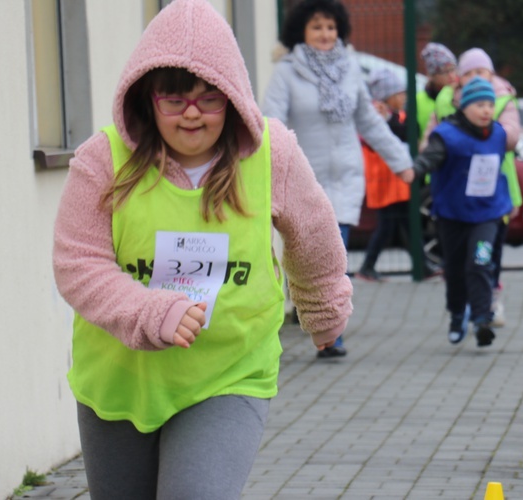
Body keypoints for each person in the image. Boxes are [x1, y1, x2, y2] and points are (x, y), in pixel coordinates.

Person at [52, 1, 352, 498]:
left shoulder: (271, 153)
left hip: (228, 371)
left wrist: (323, 307)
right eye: (174, 99)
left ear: (232, 97)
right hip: (120, 379)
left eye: (209, 98)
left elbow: (314, 233)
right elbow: (77, 263)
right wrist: (149, 311)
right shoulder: (103, 159)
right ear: (148, 98)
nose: (191, 114)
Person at [262, 0, 413, 357]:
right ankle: (309, 310)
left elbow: (369, 121)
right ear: (302, 31)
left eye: (330, 27)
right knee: (305, 253)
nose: (325, 34)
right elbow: (272, 123)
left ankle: (332, 333)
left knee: (335, 252)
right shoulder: (286, 73)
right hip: (303, 178)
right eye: (317, 27)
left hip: (346, 177)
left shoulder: (350, 70)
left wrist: (401, 162)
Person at [423, 47, 522, 328]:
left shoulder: (502, 99)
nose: (476, 76)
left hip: (494, 194)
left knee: (486, 254)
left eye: (482, 71)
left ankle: (489, 303)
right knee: (458, 261)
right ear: (459, 77)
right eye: (469, 73)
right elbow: (430, 138)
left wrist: (488, 133)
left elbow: (512, 135)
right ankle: (463, 308)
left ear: (491, 74)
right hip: (454, 196)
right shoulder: (445, 101)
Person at [412, 77, 512, 347]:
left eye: (490, 105)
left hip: (488, 214)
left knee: (480, 263)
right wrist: (415, 170)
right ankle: (457, 314)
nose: (486, 111)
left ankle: (481, 319)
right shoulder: (447, 135)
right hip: (453, 214)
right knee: (455, 269)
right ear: (464, 106)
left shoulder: (499, 133)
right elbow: (430, 157)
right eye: (480, 105)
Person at [356, 68, 439, 282]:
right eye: (399, 93)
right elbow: (383, 137)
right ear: (387, 95)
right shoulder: (375, 115)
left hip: (397, 181)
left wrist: (393, 121)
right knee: (389, 224)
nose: (404, 97)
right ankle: (368, 267)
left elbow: (410, 129)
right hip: (384, 181)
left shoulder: (397, 115)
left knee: (405, 223)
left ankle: (422, 265)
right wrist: (390, 122)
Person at [417, 42, 458, 139]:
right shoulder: (417, 101)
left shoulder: (461, 97)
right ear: (432, 75)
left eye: (453, 69)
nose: (451, 76)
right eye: (445, 72)